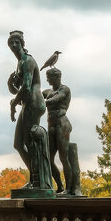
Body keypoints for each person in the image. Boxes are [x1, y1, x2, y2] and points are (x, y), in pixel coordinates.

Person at [7, 31, 47, 188]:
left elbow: (27, 87)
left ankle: (37, 181)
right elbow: (18, 90)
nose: (14, 45)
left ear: (22, 43)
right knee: (18, 144)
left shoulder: (27, 61)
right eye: (11, 43)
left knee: (30, 143)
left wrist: (12, 105)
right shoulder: (19, 64)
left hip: (34, 103)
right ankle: (35, 178)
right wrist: (10, 84)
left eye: (17, 42)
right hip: (27, 103)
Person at [42, 67, 80, 195]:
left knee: (63, 157)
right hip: (51, 125)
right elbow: (33, 95)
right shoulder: (47, 92)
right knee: (48, 159)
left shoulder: (64, 89)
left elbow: (56, 99)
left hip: (61, 124)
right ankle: (59, 186)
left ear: (56, 77)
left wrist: (43, 102)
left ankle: (69, 189)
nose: (47, 79)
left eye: (49, 77)